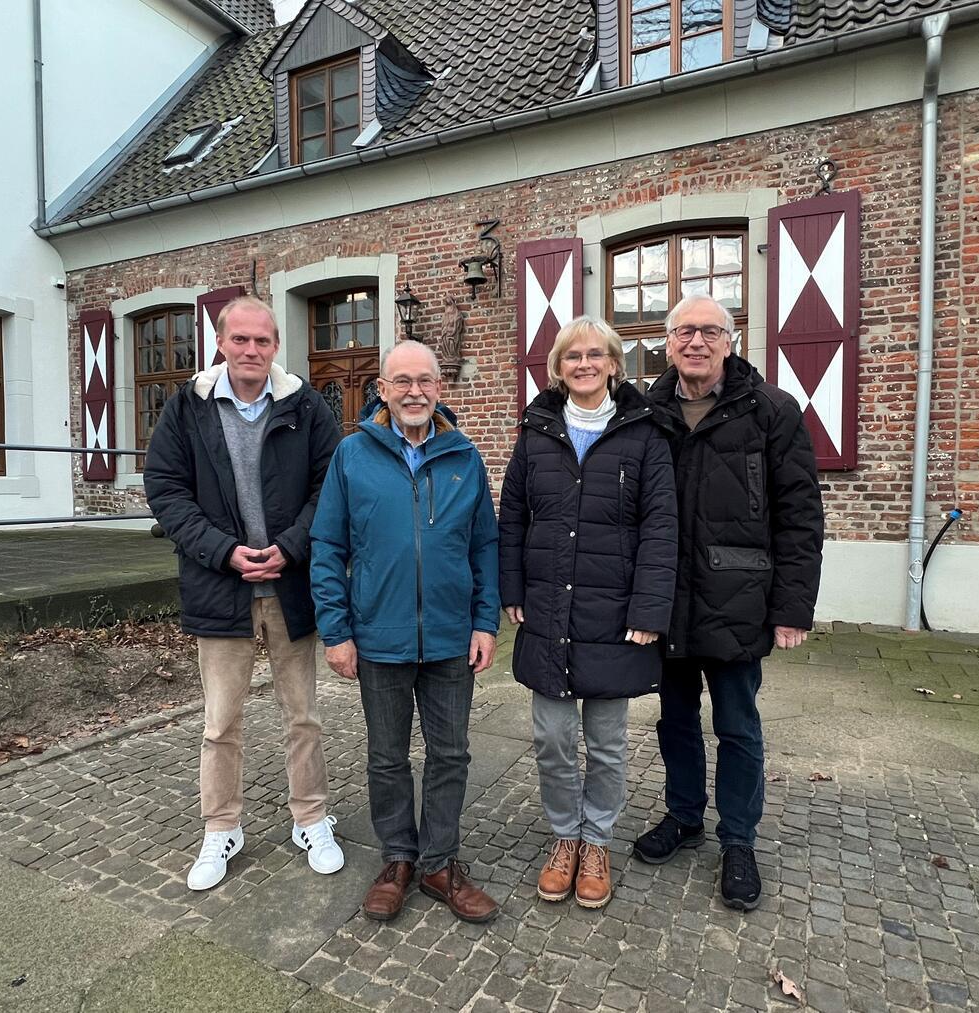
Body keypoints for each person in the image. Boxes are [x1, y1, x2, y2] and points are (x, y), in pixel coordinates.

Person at [143, 295, 345, 891]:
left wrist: (292, 546)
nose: (251, 350)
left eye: (262, 341)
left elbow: (329, 486)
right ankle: (220, 828)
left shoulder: (307, 407)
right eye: (240, 340)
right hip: (219, 585)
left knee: (303, 716)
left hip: (290, 584)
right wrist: (222, 551)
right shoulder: (187, 409)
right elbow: (166, 489)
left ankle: (310, 817)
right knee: (219, 722)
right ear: (222, 343)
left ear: (275, 346)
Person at [633, 293, 824, 911]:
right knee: (676, 720)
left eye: (710, 331)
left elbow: (800, 515)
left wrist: (793, 607)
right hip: (667, 600)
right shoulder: (644, 412)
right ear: (667, 343)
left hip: (738, 597)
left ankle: (738, 839)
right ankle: (684, 817)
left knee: (737, 725)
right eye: (684, 331)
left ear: (731, 340)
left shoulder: (771, 410)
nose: (696, 342)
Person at [310, 339, 501, 923]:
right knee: (387, 757)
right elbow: (327, 546)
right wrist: (335, 631)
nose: (415, 391)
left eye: (426, 381)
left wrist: (485, 621)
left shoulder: (465, 456)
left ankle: (439, 862)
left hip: (449, 637)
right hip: (379, 636)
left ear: (439, 389)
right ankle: (397, 858)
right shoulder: (352, 456)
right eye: (402, 381)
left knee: (450, 755)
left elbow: (485, 546)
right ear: (384, 390)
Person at [499, 316, 676, 910]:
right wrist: (512, 588)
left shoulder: (644, 434)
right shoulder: (535, 431)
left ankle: (597, 840)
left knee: (606, 741)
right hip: (548, 605)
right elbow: (513, 519)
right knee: (552, 738)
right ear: (557, 367)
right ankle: (563, 837)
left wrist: (651, 608)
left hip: (614, 611)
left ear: (613, 364)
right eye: (572, 355)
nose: (583, 364)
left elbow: (660, 528)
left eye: (595, 354)